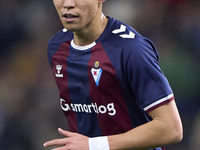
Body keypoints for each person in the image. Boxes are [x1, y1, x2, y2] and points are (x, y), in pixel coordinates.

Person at [43, 0, 183, 149]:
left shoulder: (131, 50)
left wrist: (93, 145)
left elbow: (171, 129)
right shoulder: (57, 48)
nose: (68, 4)